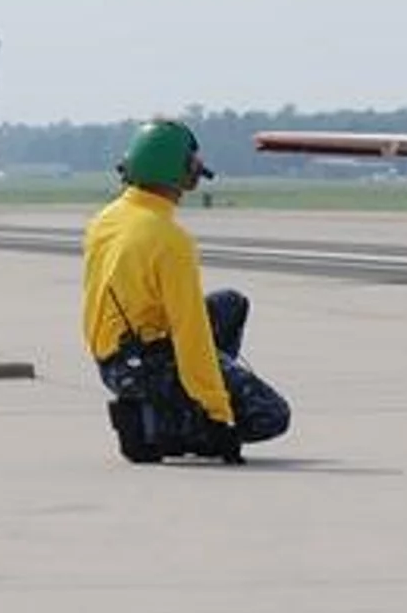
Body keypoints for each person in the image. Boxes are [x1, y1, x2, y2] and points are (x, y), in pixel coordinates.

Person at [80, 118, 290, 464]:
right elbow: (189, 333)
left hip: (113, 358)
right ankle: (164, 426)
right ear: (178, 170)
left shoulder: (106, 219)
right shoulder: (169, 239)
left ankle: (170, 407)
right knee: (271, 414)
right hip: (145, 367)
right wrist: (218, 412)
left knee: (229, 305)